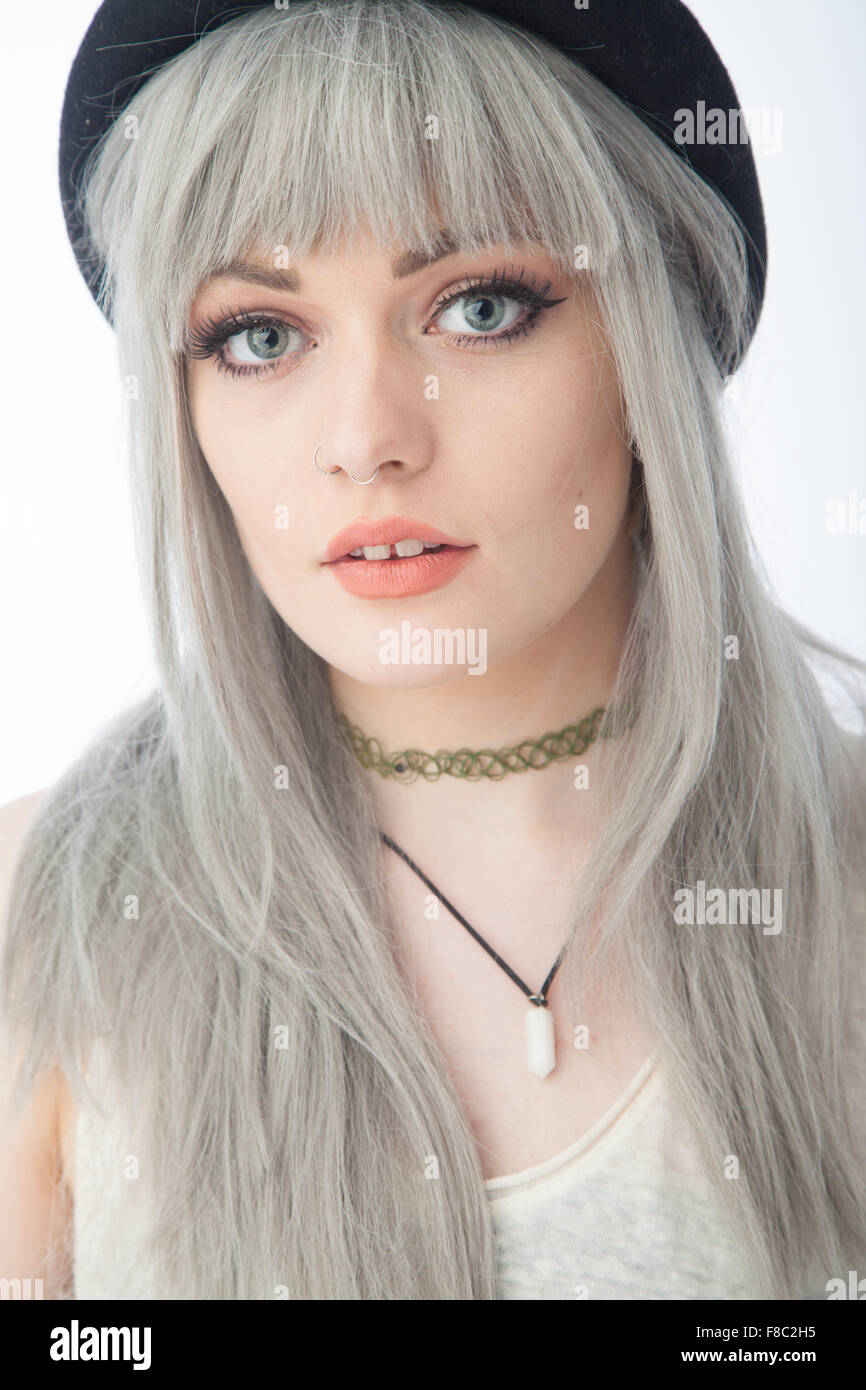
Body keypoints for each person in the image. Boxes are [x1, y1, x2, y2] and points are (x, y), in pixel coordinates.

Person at [1, 0, 864, 1301]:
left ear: (652, 349)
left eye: (476, 308)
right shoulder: (36, 918)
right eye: (259, 334)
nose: (365, 437)